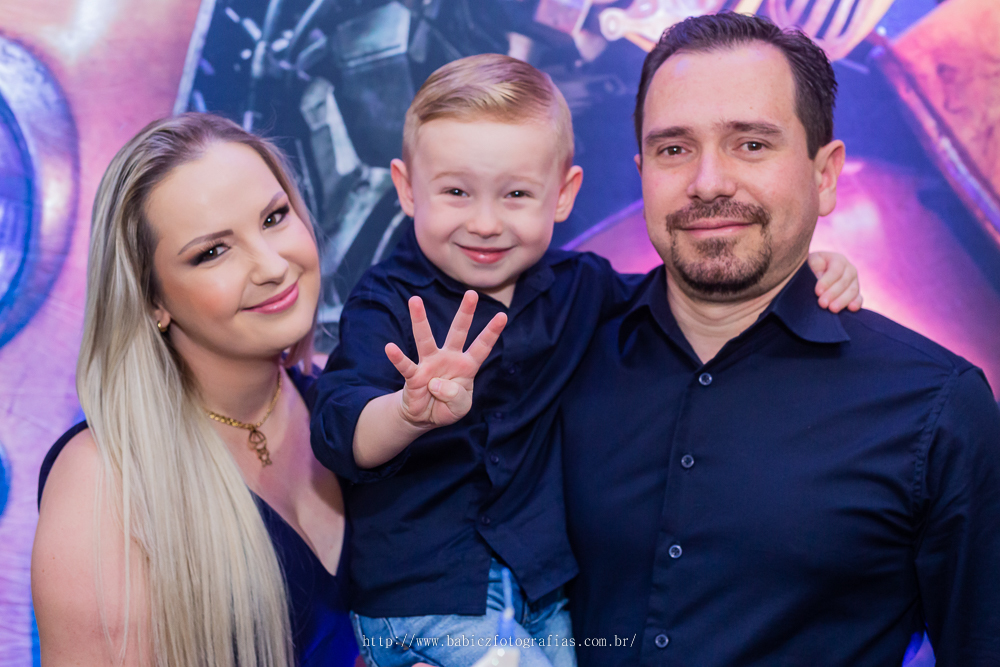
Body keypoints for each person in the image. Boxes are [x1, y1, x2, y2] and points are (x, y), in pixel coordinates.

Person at [309, 53, 862, 667]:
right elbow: (337, 431)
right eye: (457, 192)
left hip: (540, 590)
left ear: (564, 194)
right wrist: (406, 412)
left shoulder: (582, 288)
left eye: (517, 194)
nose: (486, 223)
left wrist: (802, 269)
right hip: (422, 599)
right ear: (409, 189)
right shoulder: (386, 301)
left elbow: (685, 298)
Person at [560, 13, 1000, 667]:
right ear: (642, 170)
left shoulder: (935, 408)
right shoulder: (557, 355)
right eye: (674, 148)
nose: (708, 182)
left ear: (825, 175)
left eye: (751, 144)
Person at [31, 114, 357, 667]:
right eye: (212, 252)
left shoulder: (349, 402)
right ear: (153, 300)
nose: (273, 266)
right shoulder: (105, 483)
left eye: (275, 218)